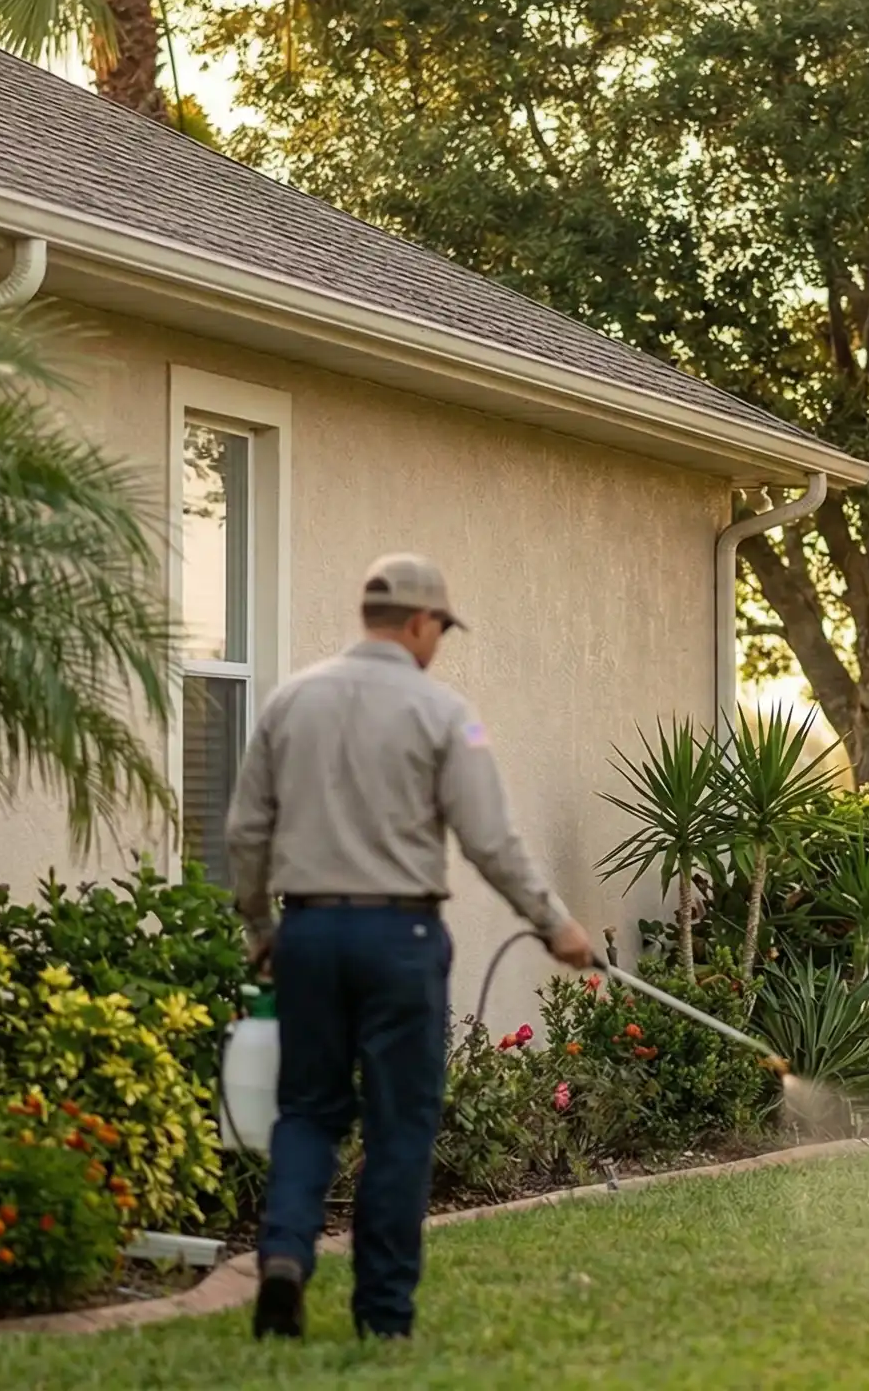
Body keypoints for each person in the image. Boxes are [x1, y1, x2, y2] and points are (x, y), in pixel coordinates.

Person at [223, 552, 594, 1342]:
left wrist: (261, 930)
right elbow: (490, 839)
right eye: (441, 631)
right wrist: (553, 921)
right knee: (400, 1123)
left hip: (308, 931)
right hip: (401, 936)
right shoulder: (444, 712)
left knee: (308, 1109)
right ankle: (383, 1315)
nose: (439, 645)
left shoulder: (290, 701)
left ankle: (284, 1256)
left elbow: (246, 831)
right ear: (422, 622)